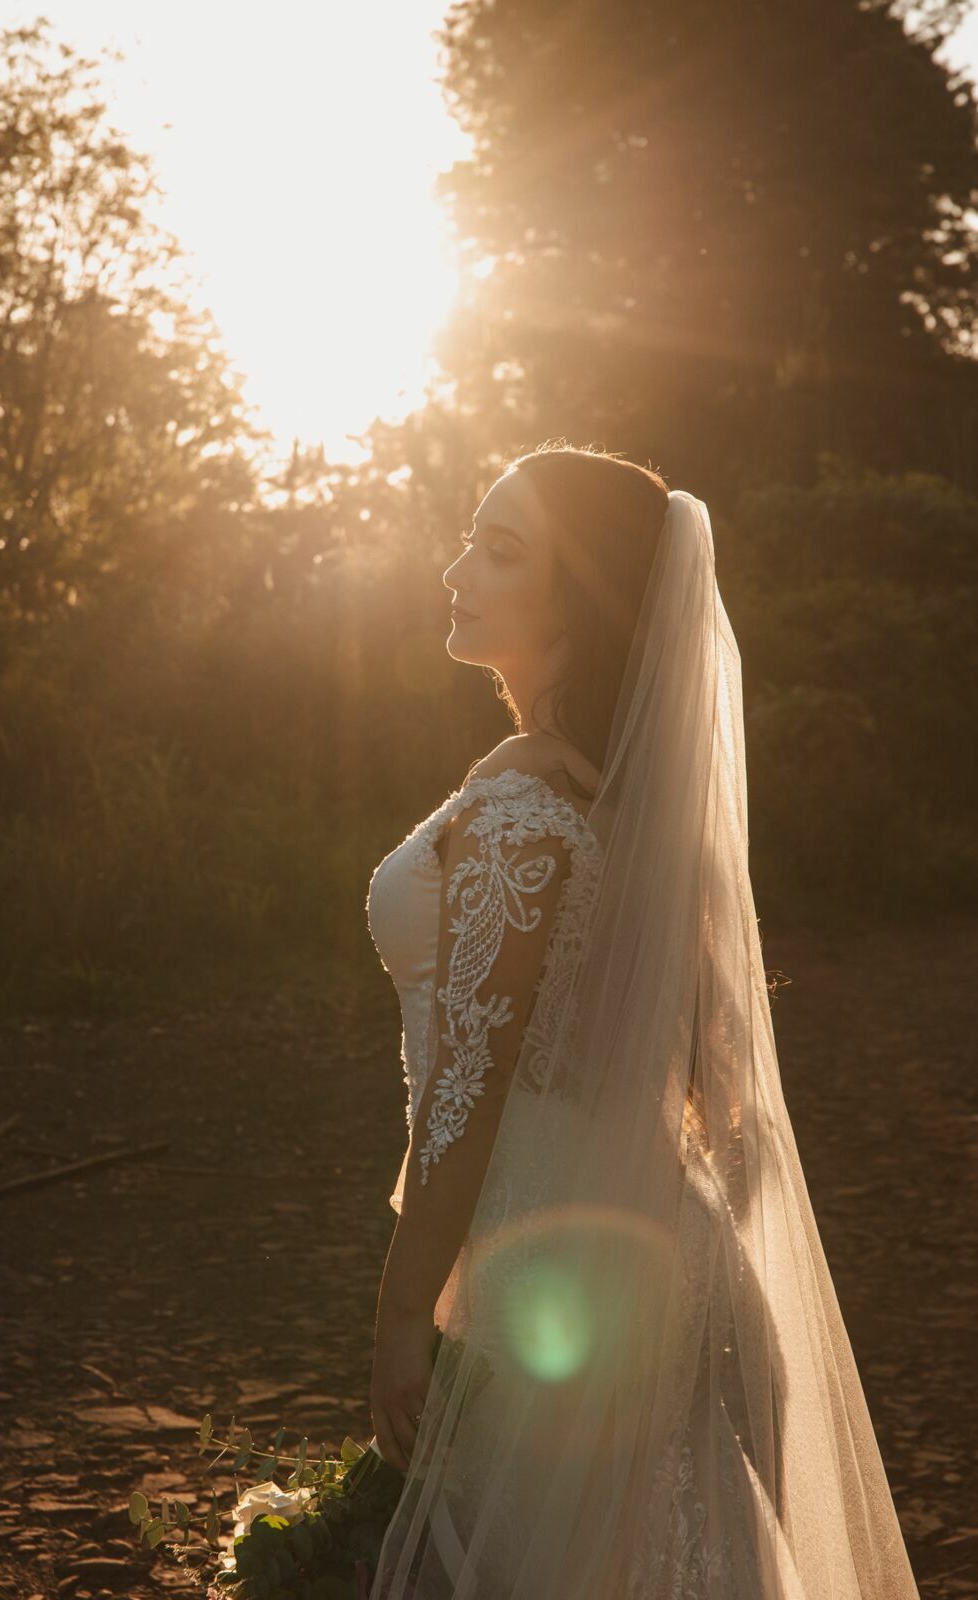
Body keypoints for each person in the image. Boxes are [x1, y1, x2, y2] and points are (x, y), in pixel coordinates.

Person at [364, 443, 920, 1598]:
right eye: (471, 533)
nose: (459, 565)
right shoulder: (605, 799)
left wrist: (398, 1312)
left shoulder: (526, 808)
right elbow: (709, 1091)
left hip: (548, 1270)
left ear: (584, 600)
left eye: (503, 549)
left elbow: (466, 1090)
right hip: (650, 1245)